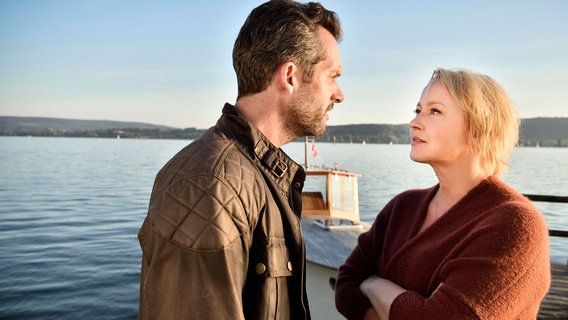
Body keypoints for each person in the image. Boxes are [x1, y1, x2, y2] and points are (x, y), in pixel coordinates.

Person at [137, 1, 344, 319]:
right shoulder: (209, 185)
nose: (339, 94)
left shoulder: (257, 176)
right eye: (332, 77)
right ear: (290, 76)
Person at [335, 68, 550, 319]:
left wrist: (372, 284)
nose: (414, 122)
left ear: (478, 128)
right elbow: (346, 285)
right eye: (418, 110)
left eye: (434, 111)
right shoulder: (402, 207)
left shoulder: (515, 224)